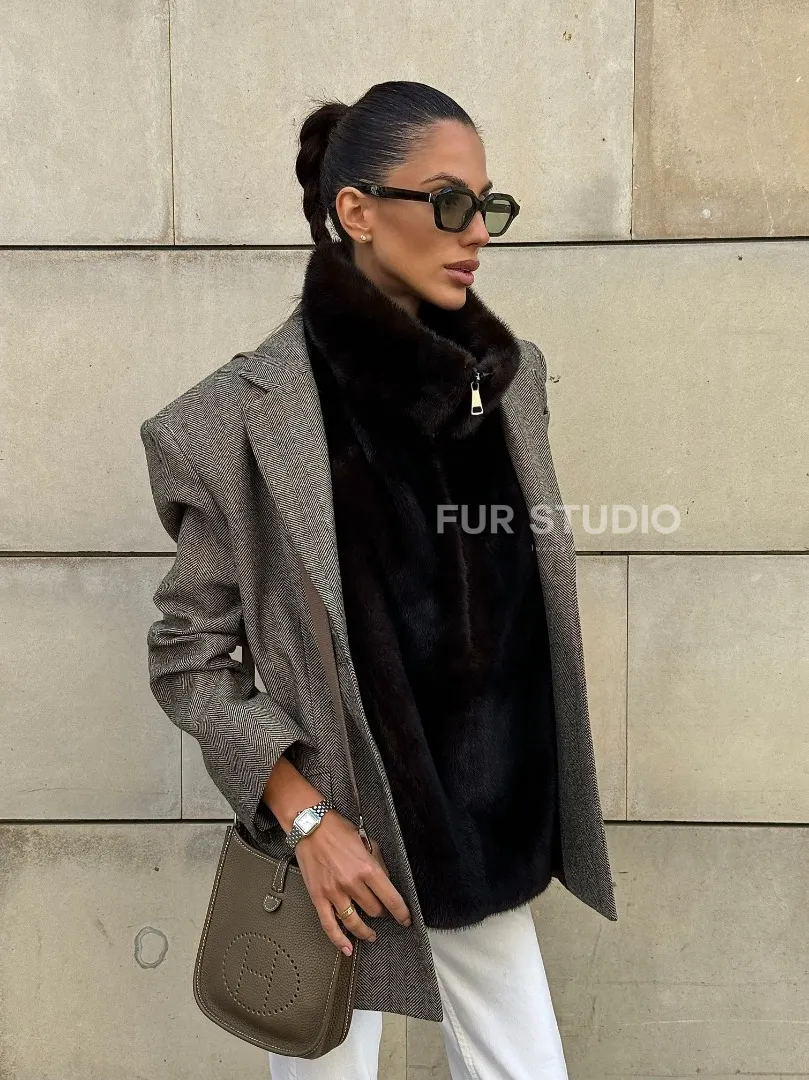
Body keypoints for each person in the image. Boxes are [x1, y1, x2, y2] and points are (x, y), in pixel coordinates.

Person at [140, 80, 617, 1080]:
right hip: (339, 856)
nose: (475, 231)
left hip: (479, 840)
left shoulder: (506, 384)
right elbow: (188, 658)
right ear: (355, 211)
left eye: (485, 204)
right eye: (447, 202)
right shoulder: (229, 424)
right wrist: (306, 821)